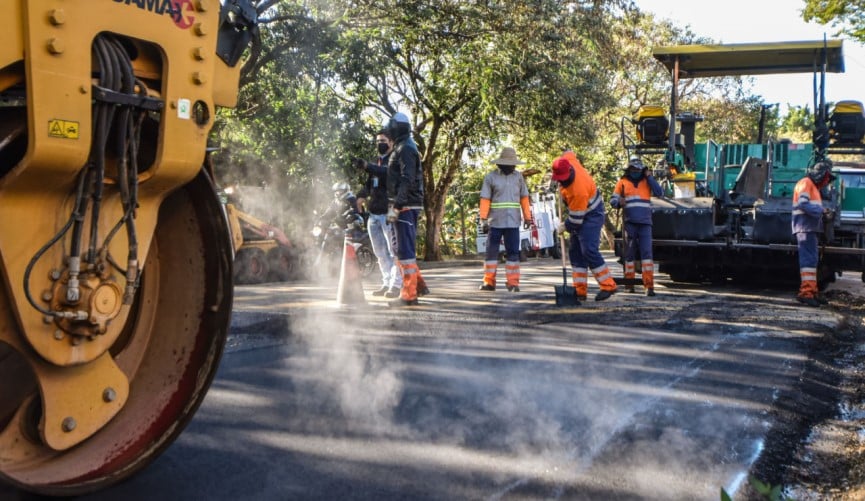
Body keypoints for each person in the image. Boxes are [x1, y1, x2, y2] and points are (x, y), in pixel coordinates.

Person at [551, 150, 618, 301]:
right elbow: (569, 152)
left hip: (591, 214)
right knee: (575, 252)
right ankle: (579, 290)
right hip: (579, 213)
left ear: (569, 172)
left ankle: (608, 285)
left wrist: (565, 226)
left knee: (588, 250)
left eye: (562, 179)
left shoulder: (578, 191)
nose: (560, 181)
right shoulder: (568, 161)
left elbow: (575, 221)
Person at [385, 111, 427, 307]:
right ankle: (417, 286)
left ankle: (409, 295)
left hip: (405, 205)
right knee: (400, 249)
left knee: (405, 251)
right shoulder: (402, 147)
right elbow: (392, 173)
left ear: (397, 129)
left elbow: (407, 178)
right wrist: (368, 166)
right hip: (403, 203)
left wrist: (398, 204)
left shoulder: (406, 149)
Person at [478, 147, 533, 292]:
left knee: (513, 253)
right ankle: (489, 282)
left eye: (513, 164)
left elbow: (524, 198)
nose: (512, 167)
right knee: (491, 253)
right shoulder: (491, 177)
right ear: (500, 164)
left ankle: (513, 283)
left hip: (513, 222)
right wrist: (483, 219)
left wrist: (528, 218)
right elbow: (485, 199)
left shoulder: (518, 177)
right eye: (509, 164)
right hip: (495, 222)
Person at [355, 132, 402, 298]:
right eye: (377, 141)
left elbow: (386, 173)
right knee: (380, 253)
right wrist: (360, 196)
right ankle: (387, 282)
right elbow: (369, 183)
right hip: (374, 214)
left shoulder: (395, 160)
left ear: (391, 142)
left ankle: (396, 285)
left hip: (389, 212)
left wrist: (367, 165)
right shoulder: (377, 162)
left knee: (393, 251)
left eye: (383, 141)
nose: (380, 144)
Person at [610, 156, 663, 296]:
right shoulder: (622, 182)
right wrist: (618, 202)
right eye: (633, 169)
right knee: (629, 255)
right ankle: (629, 285)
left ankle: (649, 286)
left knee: (647, 255)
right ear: (629, 169)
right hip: (630, 223)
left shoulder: (647, 182)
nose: (635, 171)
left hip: (645, 223)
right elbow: (613, 200)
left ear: (642, 170)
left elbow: (660, 193)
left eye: (638, 169)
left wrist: (649, 177)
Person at [792, 160, 834, 307]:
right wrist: (821, 211)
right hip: (805, 228)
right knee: (808, 262)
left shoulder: (813, 186)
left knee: (812, 261)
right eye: (826, 178)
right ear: (821, 175)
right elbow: (803, 204)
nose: (826, 182)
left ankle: (812, 291)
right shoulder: (806, 183)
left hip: (809, 228)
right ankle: (806, 293)